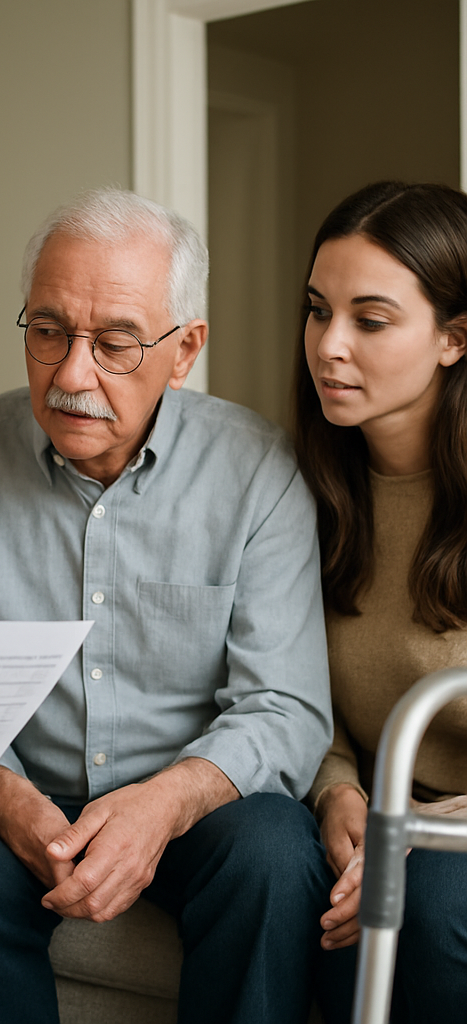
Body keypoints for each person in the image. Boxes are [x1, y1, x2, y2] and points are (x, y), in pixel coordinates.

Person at [0, 187, 335, 1024]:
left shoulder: (255, 468)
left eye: (117, 344)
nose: (73, 375)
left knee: (271, 851)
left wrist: (165, 803)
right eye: (48, 332)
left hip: (191, 805)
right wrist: (9, 800)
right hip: (17, 789)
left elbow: (287, 705)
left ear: (185, 349)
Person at [294, 181, 467, 1023]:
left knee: (421, 909)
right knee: (290, 891)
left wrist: (406, 840)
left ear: (453, 338)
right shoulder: (303, 493)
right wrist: (340, 797)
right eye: (318, 311)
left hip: (452, 836)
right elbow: (290, 685)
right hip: (381, 815)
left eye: (369, 320)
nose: (329, 347)